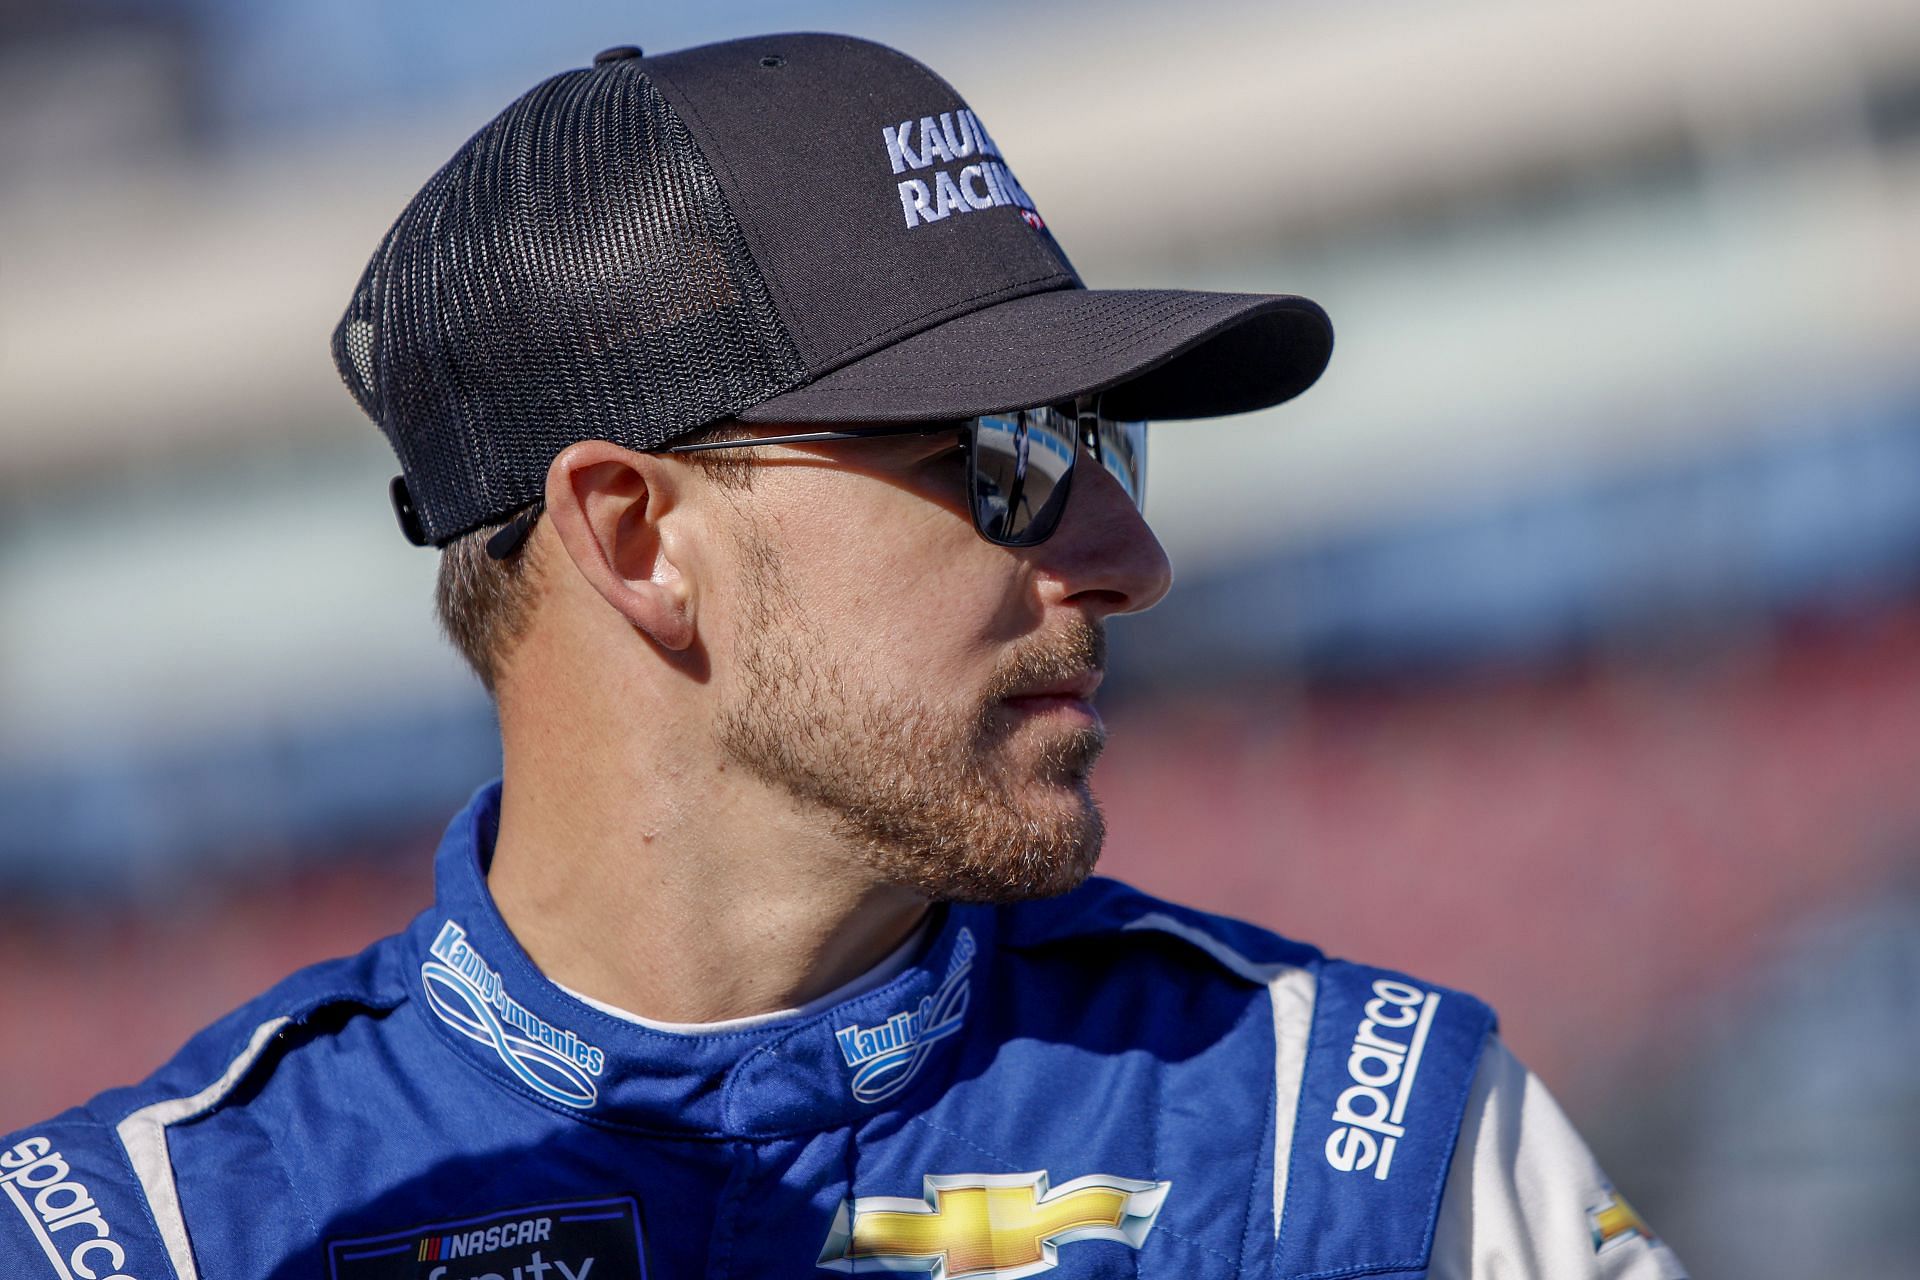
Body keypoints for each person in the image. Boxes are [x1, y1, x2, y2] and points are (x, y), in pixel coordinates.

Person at [0, 33, 1688, 1280]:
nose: (1130, 560)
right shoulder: (148, 1236)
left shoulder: (1362, 1148)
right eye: (1008, 459)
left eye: (1114, 447)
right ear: (638, 537)